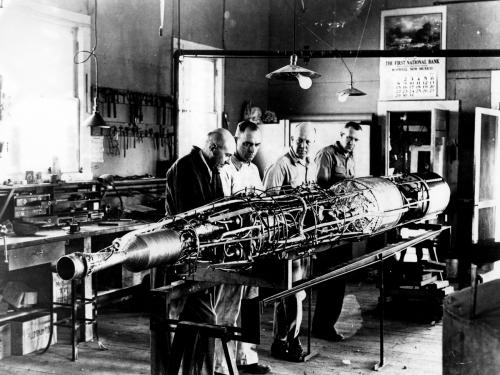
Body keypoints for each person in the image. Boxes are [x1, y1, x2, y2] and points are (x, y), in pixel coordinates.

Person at [164, 128, 235, 375]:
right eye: (227, 154)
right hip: (184, 257)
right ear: (214, 148)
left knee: (191, 322)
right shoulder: (185, 168)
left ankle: (185, 371)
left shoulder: (212, 169)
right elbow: (189, 220)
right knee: (206, 321)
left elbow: (217, 209)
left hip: (203, 258)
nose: (228, 160)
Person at [215, 121, 270, 375]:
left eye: (256, 145)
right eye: (247, 143)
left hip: (253, 246)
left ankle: (246, 359)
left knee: (249, 304)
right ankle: (221, 365)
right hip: (233, 249)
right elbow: (224, 211)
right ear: (236, 140)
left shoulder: (253, 169)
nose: (251, 149)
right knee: (228, 306)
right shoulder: (226, 170)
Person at [263, 122, 316, 362]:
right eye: (299, 141)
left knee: (297, 293)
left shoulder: (309, 164)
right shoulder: (281, 166)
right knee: (290, 294)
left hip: (304, 239)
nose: (303, 146)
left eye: (307, 141)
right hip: (286, 241)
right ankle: (289, 342)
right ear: (291, 139)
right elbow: (267, 206)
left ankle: (282, 340)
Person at [312, 121, 363, 342]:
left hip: (345, 226)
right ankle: (322, 327)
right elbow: (320, 190)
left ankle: (328, 324)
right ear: (341, 134)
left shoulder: (350, 157)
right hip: (329, 227)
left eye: (355, 139)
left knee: (340, 277)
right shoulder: (327, 155)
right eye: (349, 137)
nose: (352, 142)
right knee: (329, 279)